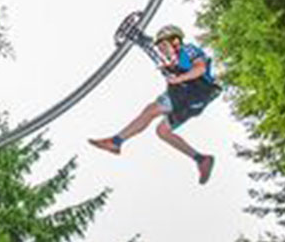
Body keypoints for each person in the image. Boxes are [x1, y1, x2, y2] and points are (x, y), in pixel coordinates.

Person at [88, 24, 221, 184]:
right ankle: (201, 159)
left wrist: (179, 79)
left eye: (164, 45)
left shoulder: (188, 50)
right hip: (187, 99)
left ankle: (115, 142)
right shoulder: (170, 61)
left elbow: (200, 68)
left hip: (195, 92)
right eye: (160, 47)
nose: (162, 50)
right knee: (162, 131)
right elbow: (152, 50)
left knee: (151, 110)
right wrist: (139, 38)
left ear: (175, 41)